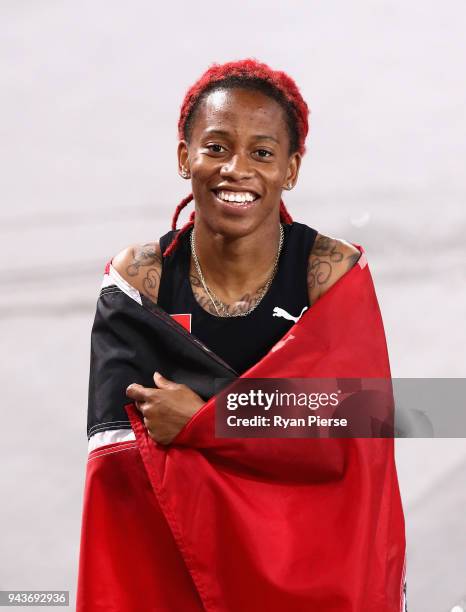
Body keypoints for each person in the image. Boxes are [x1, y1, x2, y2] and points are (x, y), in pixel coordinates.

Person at [111, 58, 362, 446]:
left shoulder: (328, 270)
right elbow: (117, 452)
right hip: (182, 507)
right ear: (184, 157)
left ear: (290, 170)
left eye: (262, 153)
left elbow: (373, 415)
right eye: (216, 147)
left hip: (295, 507)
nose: (235, 168)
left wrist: (210, 421)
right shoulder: (141, 278)